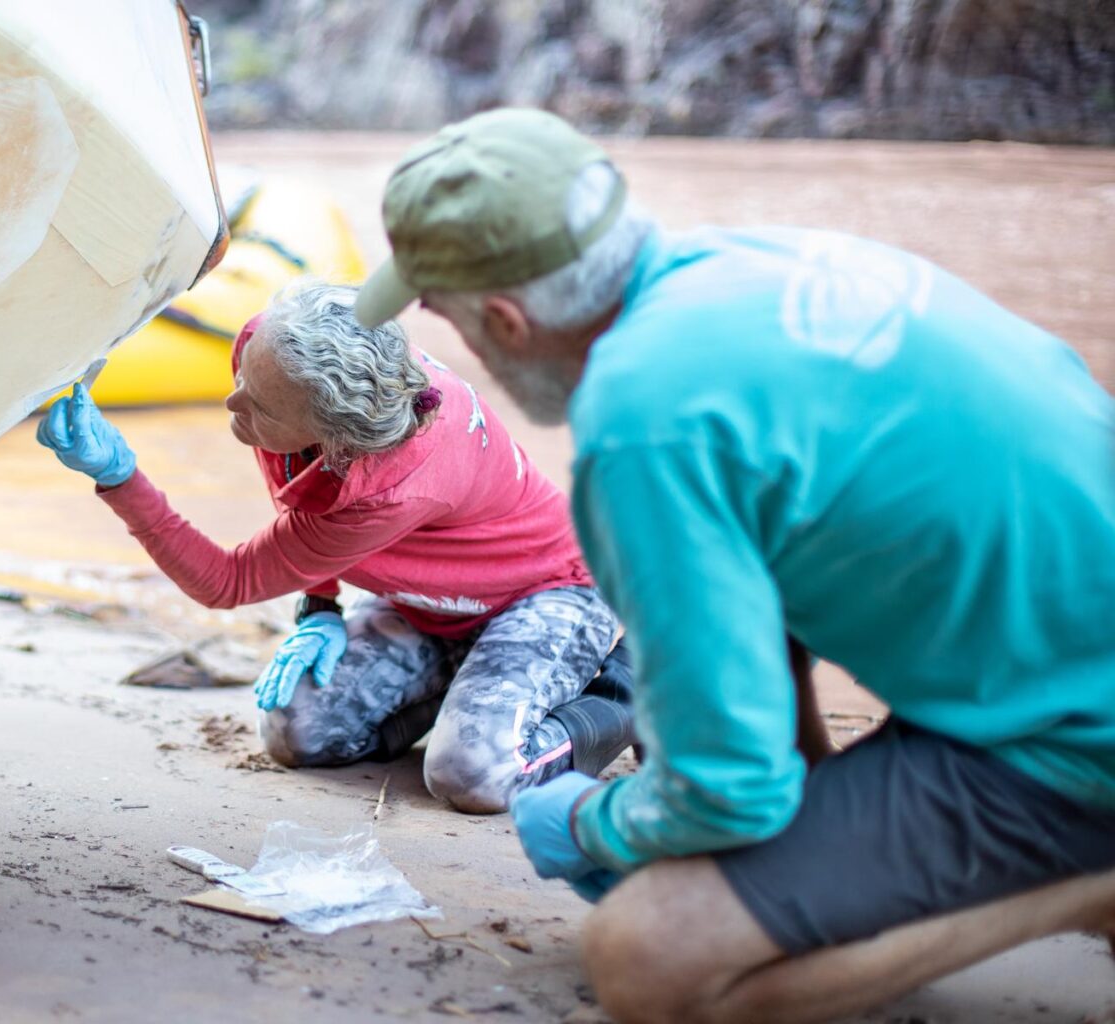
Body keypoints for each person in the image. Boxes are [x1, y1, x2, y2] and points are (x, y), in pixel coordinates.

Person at [354, 107, 1115, 1022]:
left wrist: (591, 821)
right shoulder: (751, 262)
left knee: (646, 959)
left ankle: (1088, 882)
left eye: (447, 316)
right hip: (1042, 664)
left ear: (507, 322)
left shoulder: (641, 421)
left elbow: (725, 795)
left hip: (1072, 734)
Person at [36, 281, 637, 814]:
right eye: (246, 376)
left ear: (339, 443)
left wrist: (119, 478)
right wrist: (317, 606)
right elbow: (295, 502)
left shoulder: (388, 491)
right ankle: (464, 691)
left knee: (474, 776)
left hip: (549, 591)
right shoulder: (278, 347)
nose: (233, 403)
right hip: (430, 604)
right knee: (301, 734)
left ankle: (625, 691)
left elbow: (229, 581)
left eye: (261, 406)